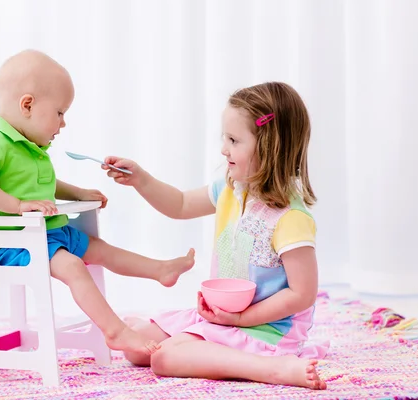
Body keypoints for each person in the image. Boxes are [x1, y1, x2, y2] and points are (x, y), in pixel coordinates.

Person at [0, 49, 195, 356]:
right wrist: (19, 205)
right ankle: (115, 331)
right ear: (28, 105)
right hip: (10, 243)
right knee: (74, 266)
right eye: (60, 113)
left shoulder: (30, 148)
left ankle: (160, 269)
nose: (63, 123)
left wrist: (79, 194)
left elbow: (46, 186)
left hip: (44, 234)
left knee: (99, 249)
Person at [103, 82, 329, 389]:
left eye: (234, 140)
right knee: (136, 348)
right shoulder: (230, 190)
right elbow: (180, 204)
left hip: (264, 330)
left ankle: (272, 368)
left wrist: (240, 321)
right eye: (225, 138)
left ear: (269, 146)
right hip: (224, 319)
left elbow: (303, 294)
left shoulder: (290, 218)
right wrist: (140, 179)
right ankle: (199, 345)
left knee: (163, 359)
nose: (224, 149)